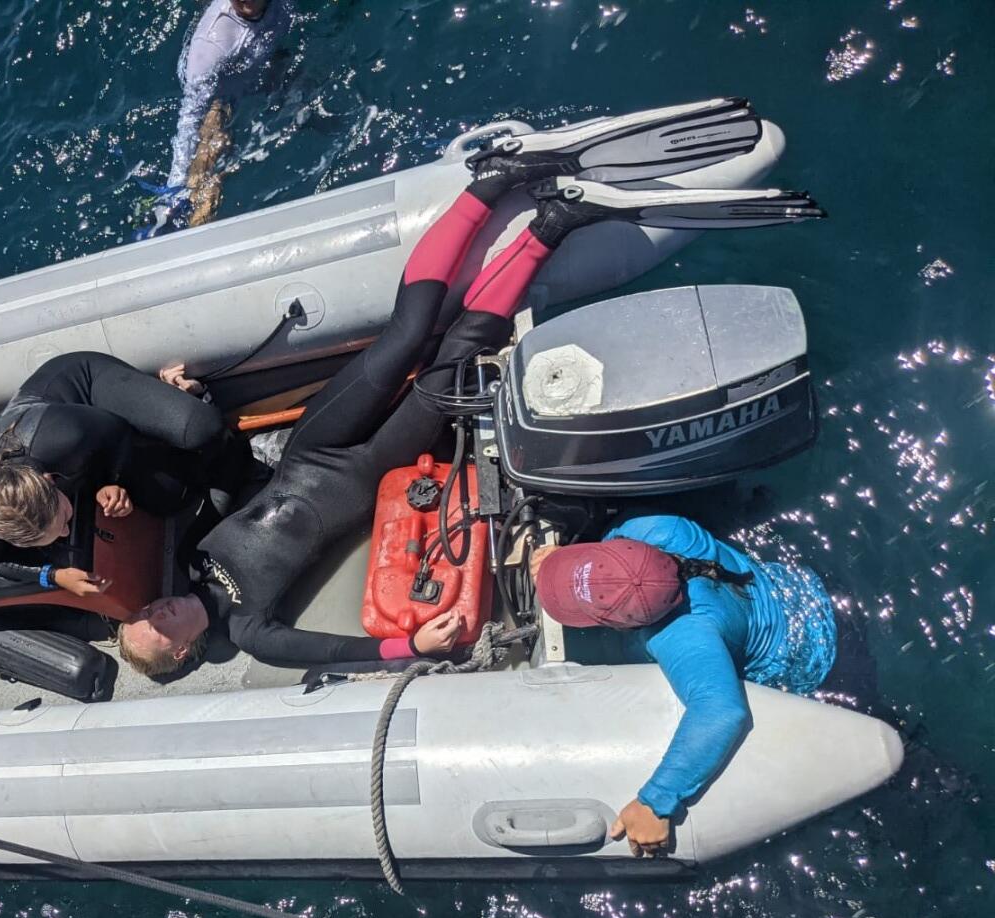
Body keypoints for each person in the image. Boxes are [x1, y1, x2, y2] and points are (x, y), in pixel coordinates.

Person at [117, 139, 824, 675]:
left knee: (405, 337)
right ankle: (552, 226)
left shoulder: (190, 556)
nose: (156, 610)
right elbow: (327, 651)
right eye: (156, 627)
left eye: (145, 611)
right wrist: (408, 647)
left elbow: (220, 476)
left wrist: (174, 415)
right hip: (372, 471)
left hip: (314, 447)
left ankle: (489, 184)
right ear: (181, 652)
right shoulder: (250, 631)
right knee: (454, 359)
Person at [528, 514, 841, 857]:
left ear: (622, 625)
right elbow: (612, 566)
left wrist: (655, 802)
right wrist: (561, 563)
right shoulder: (657, 530)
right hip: (802, 588)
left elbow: (721, 712)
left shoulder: (679, 635)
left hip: (807, 655)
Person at [0, 350, 245, 597]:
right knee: (171, 498)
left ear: (50, 482)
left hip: (87, 392)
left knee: (202, 429)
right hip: (76, 458)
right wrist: (54, 576)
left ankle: (183, 399)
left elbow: (117, 433)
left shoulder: (63, 436)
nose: (66, 531)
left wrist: (110, 482)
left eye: (63, 518)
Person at [143, 0, 292, 236]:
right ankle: (180, 223)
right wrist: (175, 188)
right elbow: (189, 118)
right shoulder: (212, 44)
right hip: (222, 99)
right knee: (211, 161)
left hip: (265, 65)